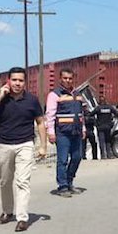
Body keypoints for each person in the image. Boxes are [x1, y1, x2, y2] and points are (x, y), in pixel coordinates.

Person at [0, 66, 47, 231]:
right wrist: (0, 96)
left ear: (25, 83)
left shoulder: (32, 101)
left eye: (21, 80)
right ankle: (7, 211)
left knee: (22, 181)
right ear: (9, 81)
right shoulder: (2, 99)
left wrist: (43, 146)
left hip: (25, 144)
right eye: (14, 80)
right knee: (5, 181)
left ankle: (22, 217)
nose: (17, 83)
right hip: (4, 144)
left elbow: (40, 122)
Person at [46, 68, 87, 196]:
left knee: (77, 157)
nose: (68, 81)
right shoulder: (54, 95)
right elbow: (50, 115)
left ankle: (69, 181)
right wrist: (51, 132)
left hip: (76, 132)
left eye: (70, 78)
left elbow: (81, 114)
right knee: (62, 160)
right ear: (60, 79)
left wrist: (83, 128)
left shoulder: (77, 94)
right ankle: (62, 186)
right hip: (62, 133)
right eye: (65, 78)